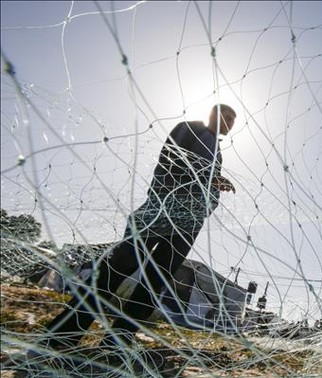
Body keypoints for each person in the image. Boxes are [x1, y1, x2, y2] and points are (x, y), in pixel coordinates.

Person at [37, 104, 237, 350]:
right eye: (226, 117)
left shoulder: (217, 151)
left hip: (188, 225)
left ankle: (118, 340)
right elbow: (171, 160)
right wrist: (206, 177)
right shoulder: (189, 129)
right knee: (116, 268)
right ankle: (63, 333)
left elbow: (209, 188)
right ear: (213, 114)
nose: (229, 124)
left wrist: (211, 193)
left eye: (232, 121)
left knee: (156, 279)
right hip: (160, 211)